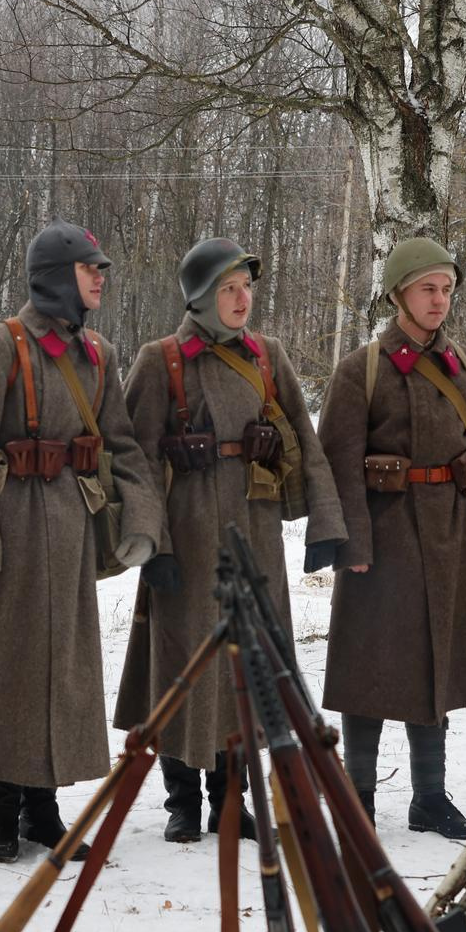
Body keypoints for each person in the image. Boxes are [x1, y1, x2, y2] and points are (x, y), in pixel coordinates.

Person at [0, 224, 164, 862]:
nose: (99, 279)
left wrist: (142, 521)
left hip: (70, 527)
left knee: (62, 670)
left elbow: (122, 444)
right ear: (58, 276)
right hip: (11, 526)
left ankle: (44, 809)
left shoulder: (100, 351)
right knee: (7, 669)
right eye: (89, 269)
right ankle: (0, 812)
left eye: (101, 270)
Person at [114, 237, 345, 841]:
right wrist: (151, 541)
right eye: (228, 289)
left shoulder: (268, 356)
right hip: (186, 537)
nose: (243, 299)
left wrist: (326, 524)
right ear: (200, 297)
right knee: (183, 662)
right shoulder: (160, 359)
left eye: (247, 288)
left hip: (256, 533)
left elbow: (307, 441)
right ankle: (182, 801)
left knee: (249, 665)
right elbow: (134, 462)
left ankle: (229, 797)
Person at [317, 236, 466, 837]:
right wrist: (350, 546)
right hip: (382, 537)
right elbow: (337, 462)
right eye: (428, 288)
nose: (439, 300)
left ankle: (429, 796)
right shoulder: (361, 369)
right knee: (368, 671)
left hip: (448, 536)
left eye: (447, 289)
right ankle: (358, 800)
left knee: (436, 665)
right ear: (399, 293)